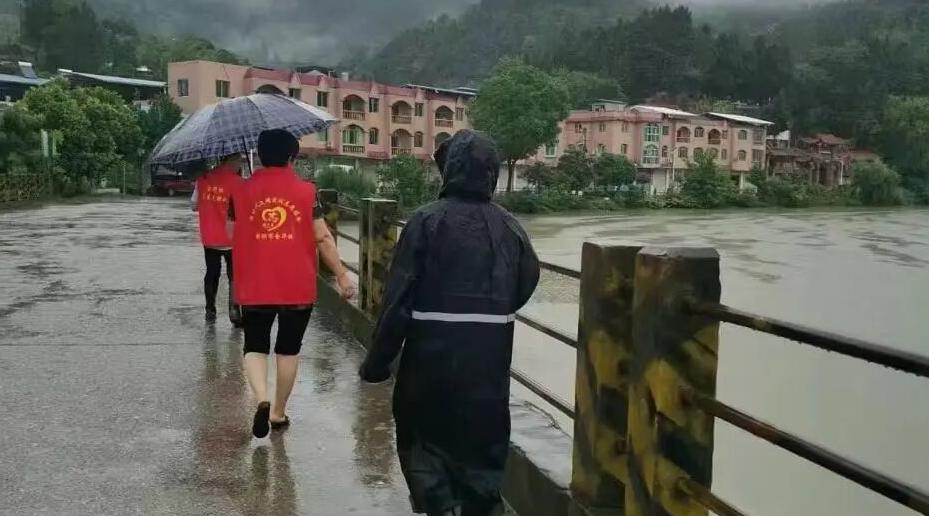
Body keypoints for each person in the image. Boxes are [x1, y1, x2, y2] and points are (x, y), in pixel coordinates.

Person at [359, 130, 540, 516]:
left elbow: (397, 301)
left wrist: (377, 364)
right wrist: (491, 313)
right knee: (482, 457)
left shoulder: (425, 221)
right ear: (491, 173)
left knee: (426, 450)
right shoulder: (510, 228)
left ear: (450, 169)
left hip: (428, 369)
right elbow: (526, 283)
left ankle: (441, 506)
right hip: (487, 373)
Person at [229, 129, 355, 439]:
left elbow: (233, 234)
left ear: (260, 155)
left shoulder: (239, 191)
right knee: (288, 350)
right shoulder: (307, 192)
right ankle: (278, 412)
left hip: (255, 283)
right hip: (296, 285)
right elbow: (322, 237)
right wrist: (341, 275)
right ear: (291, 157)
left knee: (255, 345)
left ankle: (261, 398)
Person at [192, 154, 245, 324]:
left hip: (210, 237)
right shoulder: (238, 182)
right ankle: (234, 311)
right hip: (233, 238)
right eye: (239, 161)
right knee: (234, 275)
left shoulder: (203, 179)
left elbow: (194, 205)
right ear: (230, 161)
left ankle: (210, 310)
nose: (241, 164)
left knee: (212, 273)